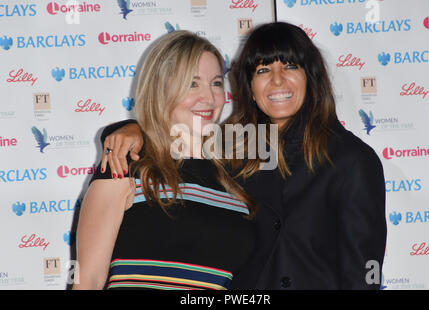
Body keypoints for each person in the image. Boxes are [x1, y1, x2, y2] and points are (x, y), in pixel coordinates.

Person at [100, 22, 387, 290]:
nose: (277, 81)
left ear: (310, 77)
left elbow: (362, 273)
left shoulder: (352, 160)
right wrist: (129, 130)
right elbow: (171, 142)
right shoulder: (229, 148)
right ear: (248, 87)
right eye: (263, 70)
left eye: (290, 66)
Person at [73, 30, 257, 290]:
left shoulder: (235, 177)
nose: (210, 97)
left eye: (216, 83)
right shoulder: (126, 163)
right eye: (192, 84)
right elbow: (87, 282)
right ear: (161, 88)